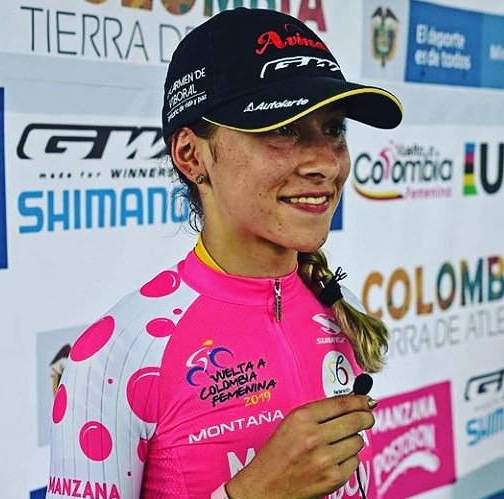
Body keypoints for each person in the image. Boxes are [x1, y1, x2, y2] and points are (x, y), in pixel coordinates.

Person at [48, 7, 402, 499]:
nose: (325, 162)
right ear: (191, 155)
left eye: (334, 128)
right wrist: (253, 493)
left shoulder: (336, 305)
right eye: (282, 129)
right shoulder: (115, 356)